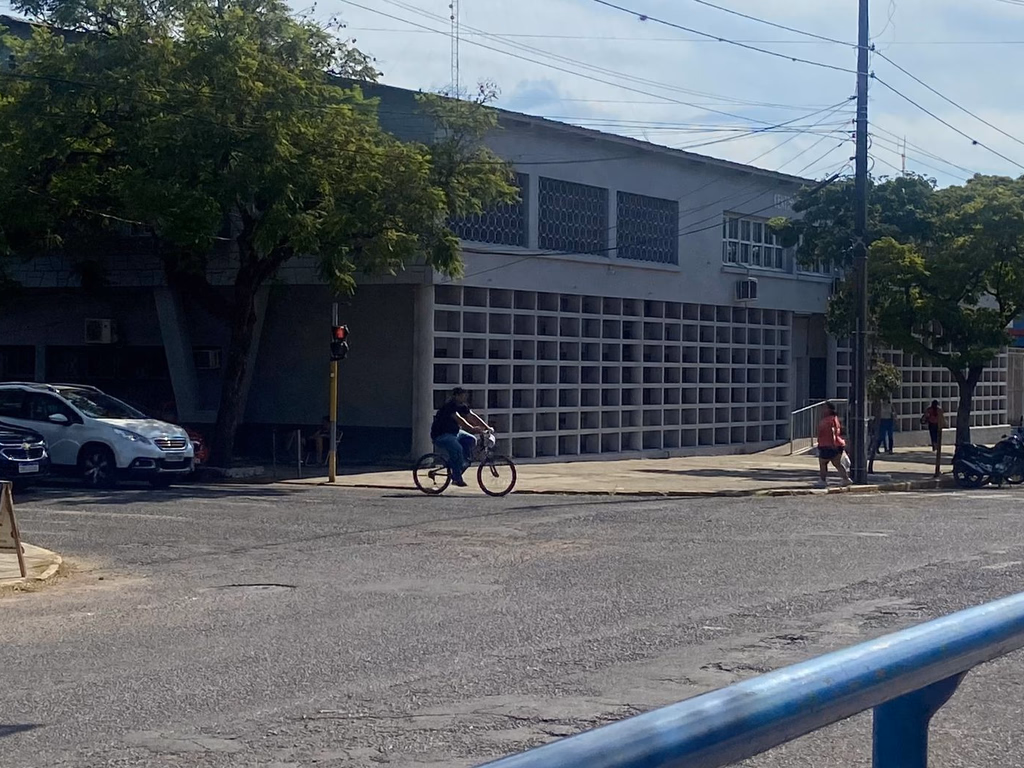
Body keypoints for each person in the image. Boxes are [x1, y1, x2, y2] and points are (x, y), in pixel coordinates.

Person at [431, 387, 490, 487]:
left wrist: (487, 427)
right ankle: (456, 478)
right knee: (457, 449)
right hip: (442, 435)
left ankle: (462, 461)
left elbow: (472, 416)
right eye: (462, 395)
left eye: (465, 395)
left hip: (455, 433)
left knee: (471, 439)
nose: (464, 397)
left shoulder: (462, 406)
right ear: (456, 396)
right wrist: (472, 428)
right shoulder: (449, 406)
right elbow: (460, 419)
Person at [816, 401, 852, 488]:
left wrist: (832, 443)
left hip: (828, 444)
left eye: (824, 407)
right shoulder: (832, 418)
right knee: (837, 463)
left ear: (829, 409)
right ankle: (845, 479)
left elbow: (833, 432)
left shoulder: (829, 420)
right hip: (830, 444)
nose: (822, 410)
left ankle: (823, 480)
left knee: (823, 462)